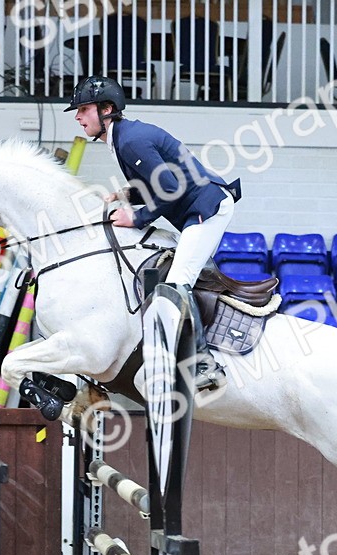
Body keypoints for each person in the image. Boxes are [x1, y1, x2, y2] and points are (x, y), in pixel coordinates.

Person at [65, 75, 241, 391]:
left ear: (106, 109)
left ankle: (204, 365)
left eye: (83, 109)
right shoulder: (123, 137)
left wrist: (137, 217)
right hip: (195, 206)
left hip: (207, 207)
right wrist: (125, 195)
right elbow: (157, 182)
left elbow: (169, 188)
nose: (78, 117)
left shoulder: (130, 139)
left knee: (176, 283)